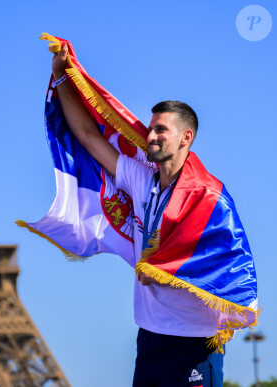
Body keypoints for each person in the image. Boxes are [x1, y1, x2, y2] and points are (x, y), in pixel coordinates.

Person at [51, 44, 225, 386]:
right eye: (150, 129)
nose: (150, 136)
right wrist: (60, 78)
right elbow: (87, 136)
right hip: (150, 336)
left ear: (186, 138)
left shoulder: (209, 196)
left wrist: (161, 269)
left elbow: (218, 261)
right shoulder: (140, 178)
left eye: (162, 130)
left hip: (195, 341)